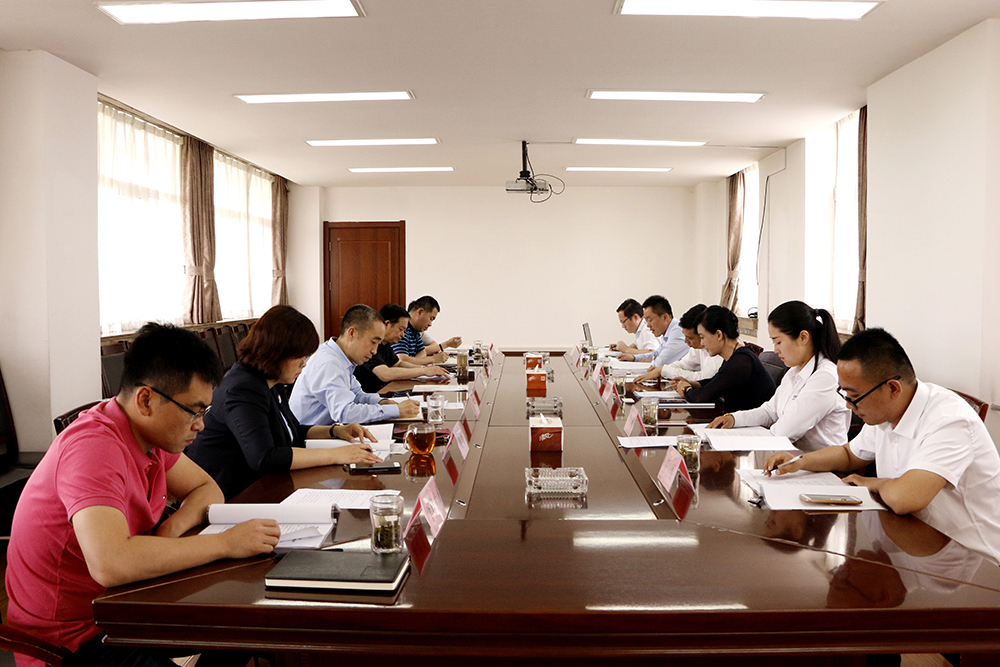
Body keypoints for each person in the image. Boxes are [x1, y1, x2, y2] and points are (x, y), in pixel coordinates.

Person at [5, 323, 280, 667]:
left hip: (126, 601)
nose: (201, 425)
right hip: (73, 637)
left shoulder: (148, 433)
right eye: (194, 411)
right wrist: (226, 543)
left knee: (244, 625)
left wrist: (172, 528)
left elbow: (206, 488)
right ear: (146, 400)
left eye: (204, 412)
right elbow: (111, 564)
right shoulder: (94, 448)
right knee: (240, 621)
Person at [765, 328, 1000, 566]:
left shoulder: (950, 421)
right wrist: (800, 462)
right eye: (844, 395)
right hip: (912, 539)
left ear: (893, 388)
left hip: (972, 560)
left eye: (854, 397)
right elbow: (848, 454)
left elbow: (904, 499)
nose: (848, 406)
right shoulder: (886, 410)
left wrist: (873, 483)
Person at [187, 306, 382, 500]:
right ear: (279, 352)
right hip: (233, 496)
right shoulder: (242, 389)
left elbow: (293, 430)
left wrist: (335, 431)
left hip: (267, 485)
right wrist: (337, 455)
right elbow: (265, 458)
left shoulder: (272, 381)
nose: (304, 365)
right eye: (300, 358)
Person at [705, 300, 850, 451]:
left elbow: (784, 432)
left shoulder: (825, 377)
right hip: (793, 456)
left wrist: (739, 440)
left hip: (819, 463)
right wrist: (734, 419)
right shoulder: (795, 371)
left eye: (778, 342)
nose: (775, 350)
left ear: (803, 337)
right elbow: (769, 412)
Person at [290, 304, 421, 424]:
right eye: (373, 342)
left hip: (329, 430)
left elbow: (357, 395)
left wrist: (383, 402)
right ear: (352, 333)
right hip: (308, 436)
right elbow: (345, 413)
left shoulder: (342, 358)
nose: (374, 351)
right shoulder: (329, 362)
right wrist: (395, 410)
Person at [671, 305, 775, 411]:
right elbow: (717, 382)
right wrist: (692, 383)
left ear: (719, 335)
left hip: (755, 421)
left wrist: (686, 389)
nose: (702, 343)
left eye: (702, 337)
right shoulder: (735, 356)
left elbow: (702, 397)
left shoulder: (741, 361)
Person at [354, 303, 451, 393]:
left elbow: (399, 363)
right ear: (387, 324)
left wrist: (427, 369)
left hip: (379, 394)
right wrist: (424, 371)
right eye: (401, 329)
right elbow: (385, 374)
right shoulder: (370, 345)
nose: (403, 335)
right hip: (367, 396)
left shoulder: (386, 344)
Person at [633, 304, 722, 384]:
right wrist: (661, 370)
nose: (685, 341)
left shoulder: (719, 351)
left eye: (690, 338)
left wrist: (663, 370)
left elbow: (704, 378)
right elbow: (683, 364)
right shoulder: (699, 348)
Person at [616, 295, 688, 368]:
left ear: (665, 317)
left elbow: (661, 362)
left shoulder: (678, 332)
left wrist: (647, 360)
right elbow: (656, 353)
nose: (648, 325)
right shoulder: (668, 332)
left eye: (650, 320)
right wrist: (634, 358)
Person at [392, 295, 462, 367]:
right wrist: (433, 359)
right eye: (431, 319)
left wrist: (415, 361)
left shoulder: (415, 331)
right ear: (420, 312)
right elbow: (402, 361)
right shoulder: (402, 329)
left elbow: (422, 352)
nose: (430, 324)